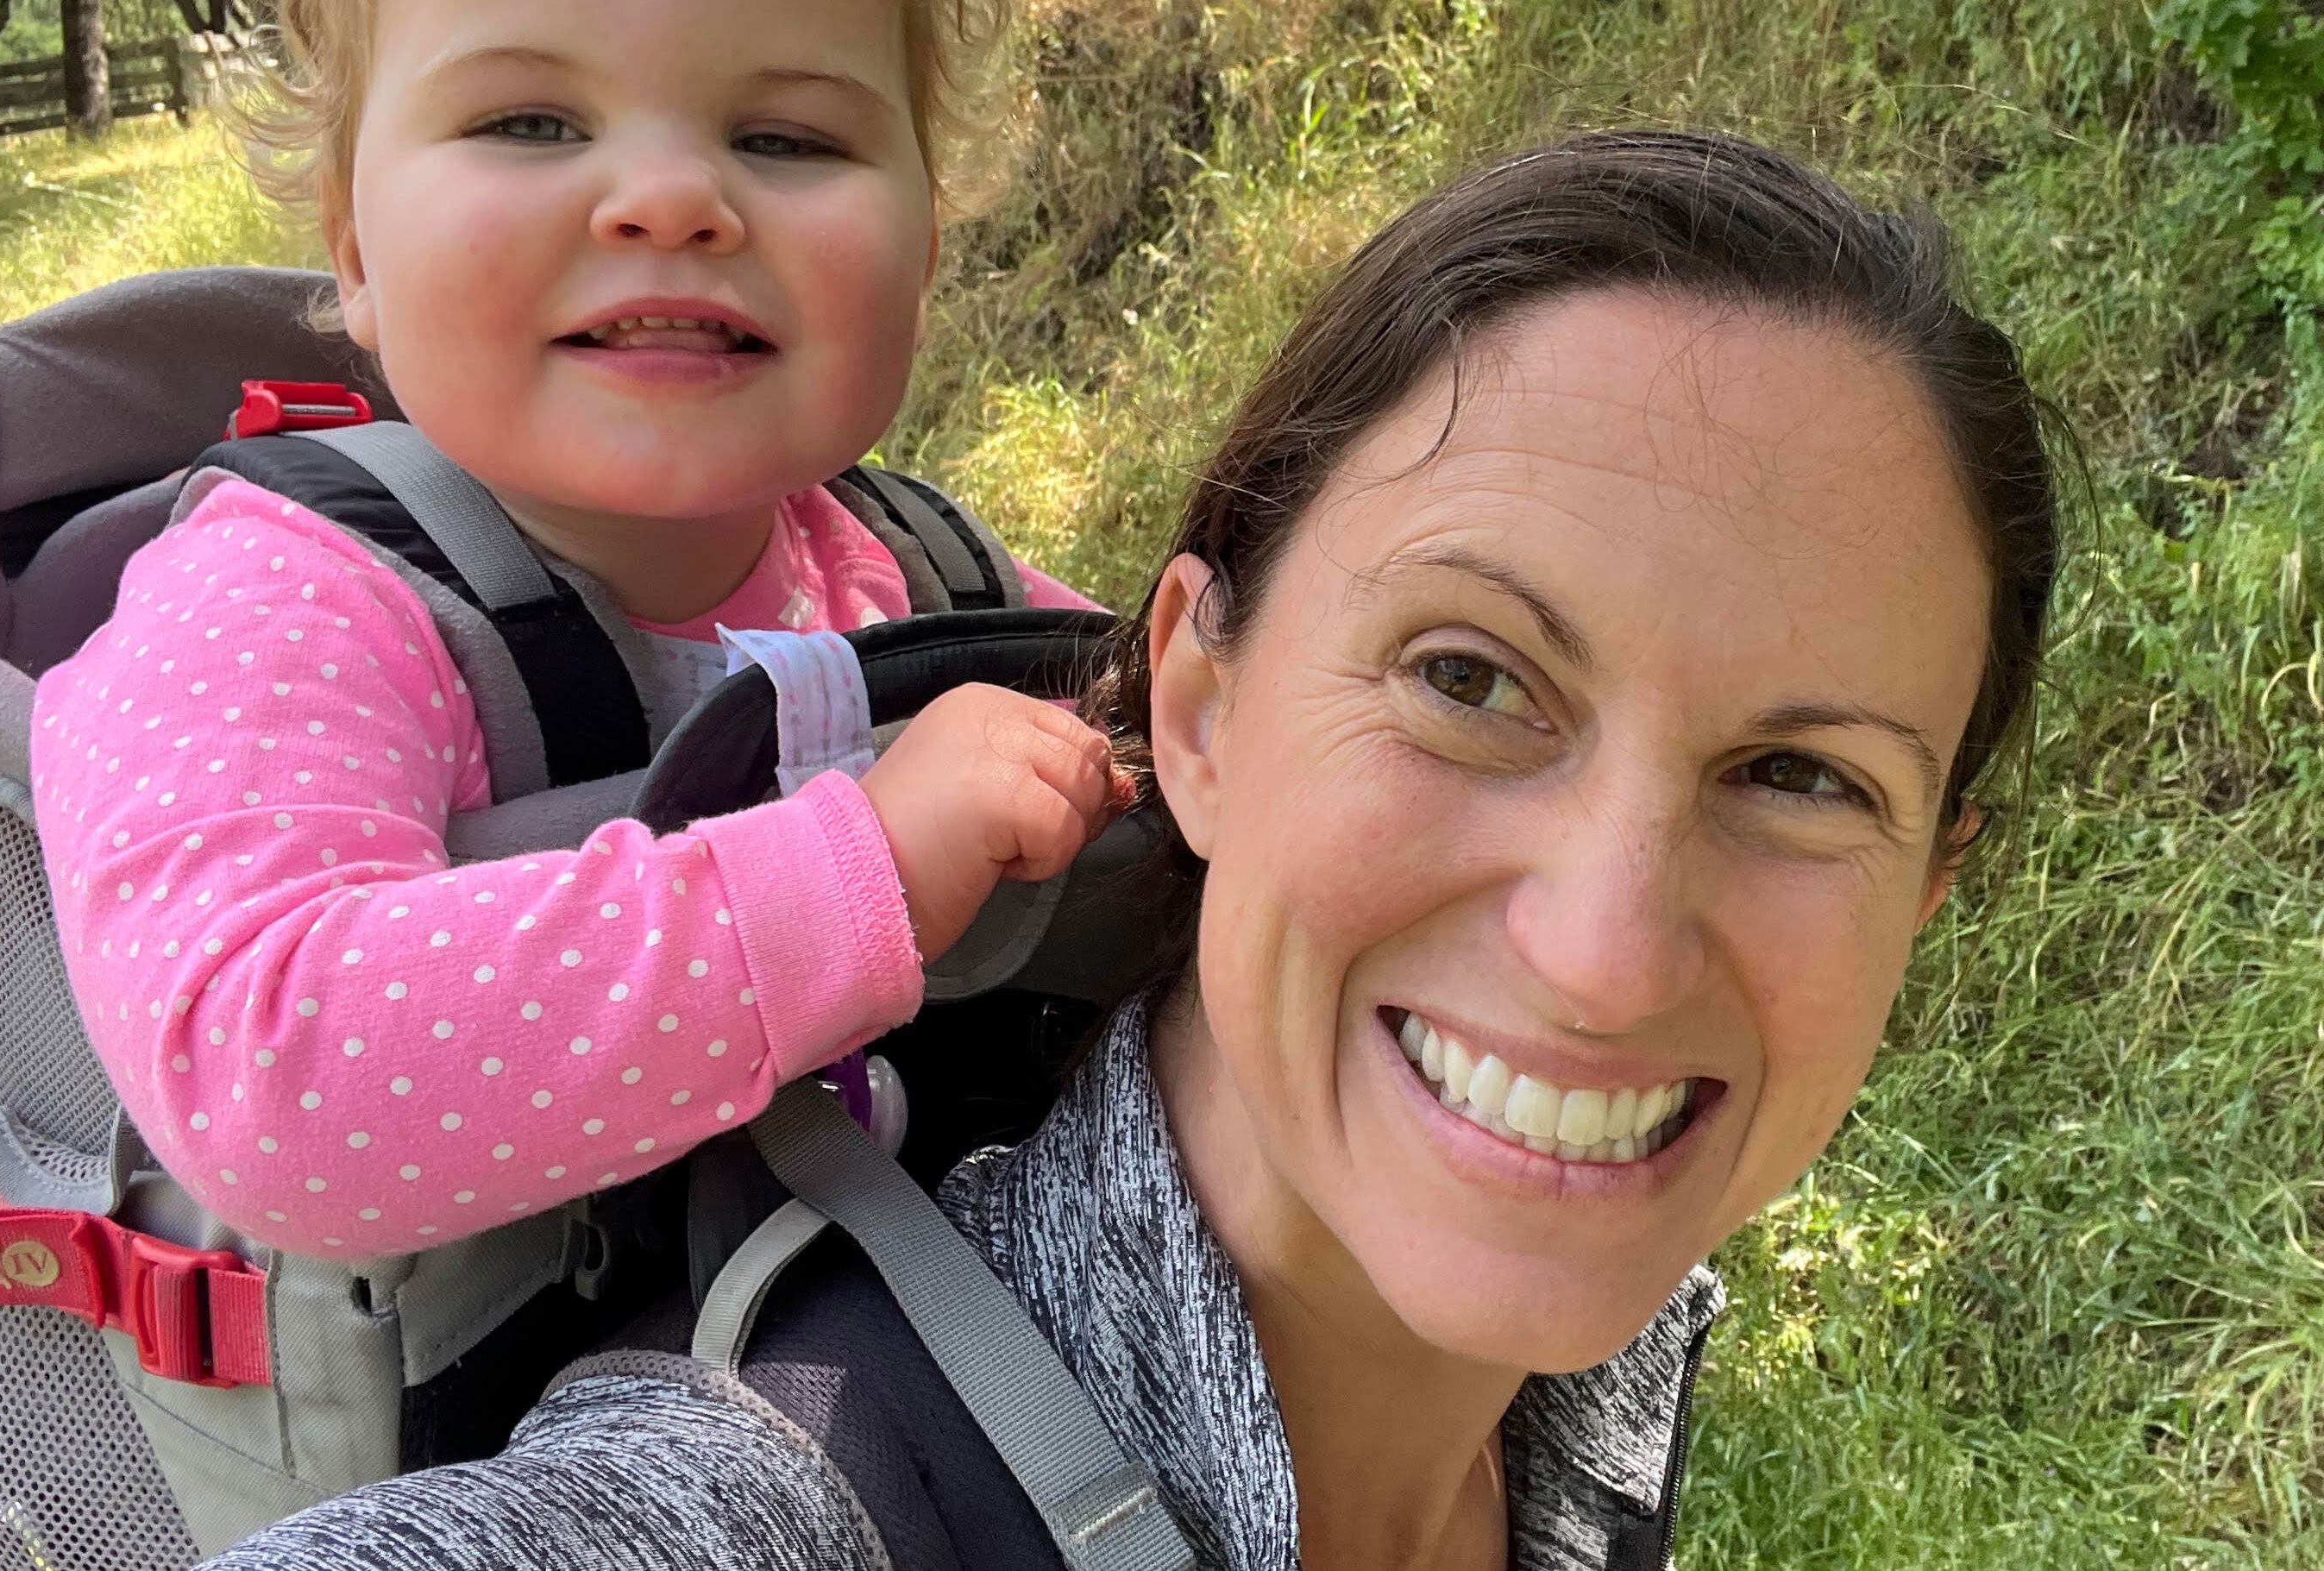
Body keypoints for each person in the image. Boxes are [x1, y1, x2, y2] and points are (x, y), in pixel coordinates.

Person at [190, 128, 2063, 1569]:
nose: (1607, 951)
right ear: (1193, 705)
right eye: (1473, 675)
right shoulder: (785, 1502)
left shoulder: (1582, 1388)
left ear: (1931, 883)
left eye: (1804, 779)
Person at [28, 0, 1118, 1260]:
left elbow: (1176, 747)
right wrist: (856, 871)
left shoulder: (919, 577)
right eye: (531, 122)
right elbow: (276, 1078)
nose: (672, 196)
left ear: (929, 239)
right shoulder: (282, 608)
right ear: (355, 248)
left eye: (787, 136)